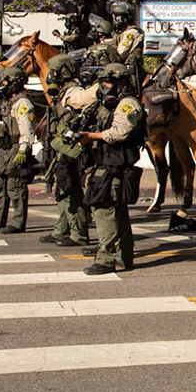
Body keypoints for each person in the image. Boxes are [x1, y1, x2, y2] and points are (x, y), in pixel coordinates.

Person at [80, 62, 144, 274]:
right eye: (103, 82)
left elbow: (119, 133)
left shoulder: (127, 104)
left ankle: (107, 258)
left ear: (122, 82)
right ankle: (124, 257)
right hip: (106, 162)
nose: (105, 86)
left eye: (109, 82)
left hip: (116, 165)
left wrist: (93, 137)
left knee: (103, 210)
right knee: (116, 212)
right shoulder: (106, 105)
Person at [0, 68, 36, 233]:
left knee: (15, 185)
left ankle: (18, 222)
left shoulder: (22, 103)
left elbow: (27, 130)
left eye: (5, 82)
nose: (2, 85)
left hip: (15, 147)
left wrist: (23, 149)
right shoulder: (5, 100)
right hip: (2, 147)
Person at [44, 80, 92, 248]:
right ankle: (62, 229)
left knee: (71, 191)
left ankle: (78, 234)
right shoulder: (63, 93)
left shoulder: (77, 93)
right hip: (64, 149)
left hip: (73, 152)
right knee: (62, 190)